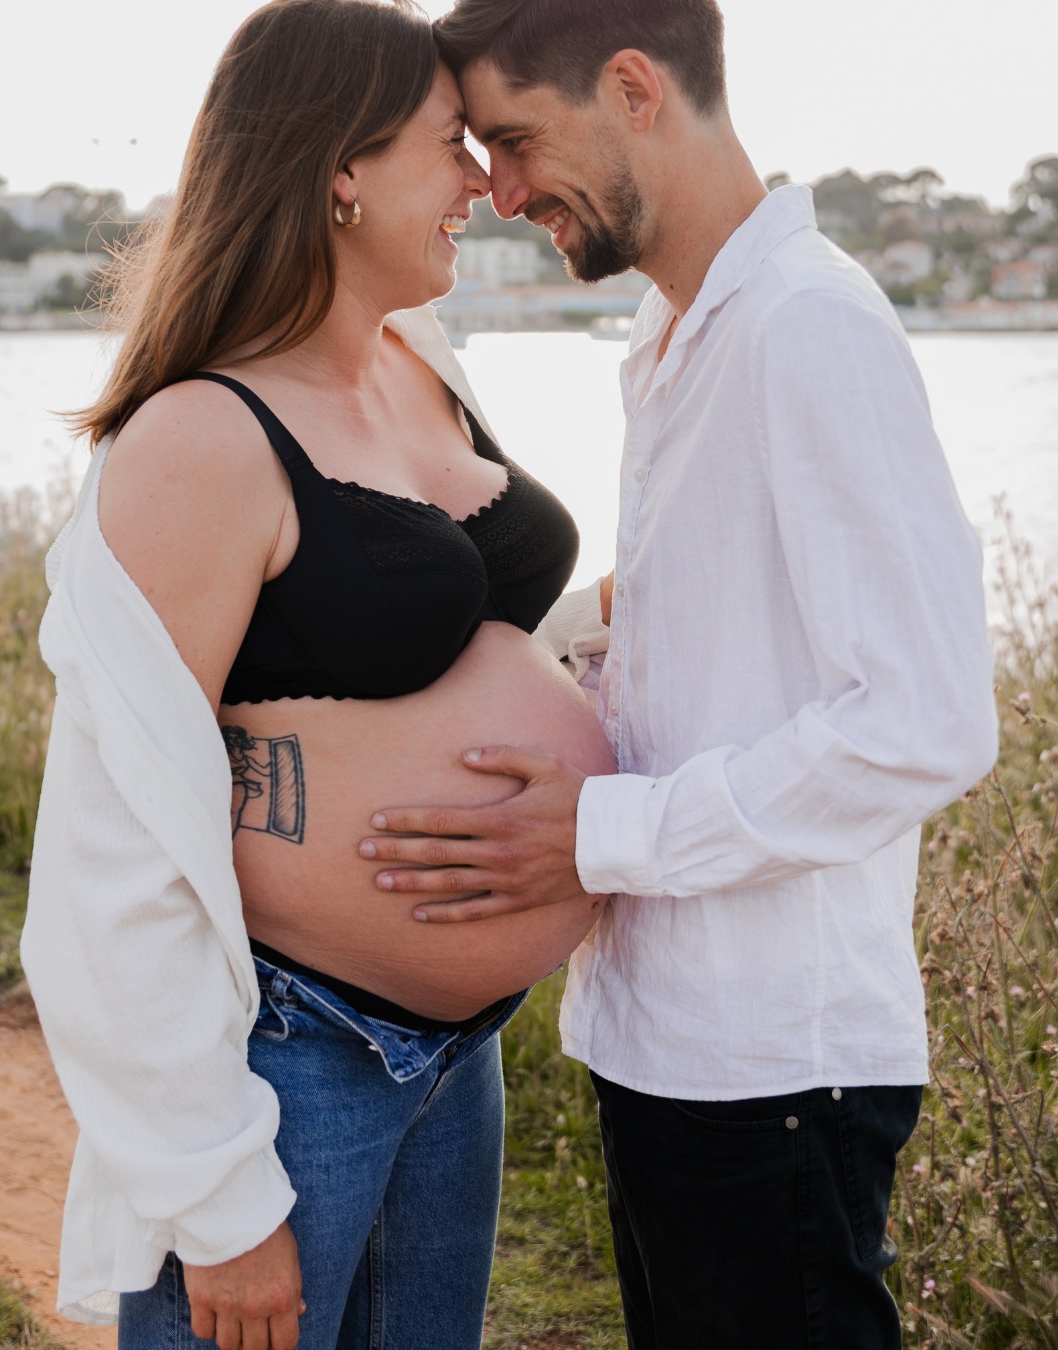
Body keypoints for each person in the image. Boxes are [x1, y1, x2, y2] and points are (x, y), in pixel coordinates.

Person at [357, 1, 1000, 1345]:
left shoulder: (806, 325)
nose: (504, 188)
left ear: (636, 88)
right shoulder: (670, 338)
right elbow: (720, 617)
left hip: (777, 1071)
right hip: (663, 1045)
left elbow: (924, 721)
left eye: (520, 139)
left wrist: (599, 832)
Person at [20, 2, 615, 1348]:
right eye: (450, 146)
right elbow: (109, 846)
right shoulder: (201, 439)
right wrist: (216, 1194)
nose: (483, 183)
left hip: (455, 1064)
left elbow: (403, 645)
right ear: (341, 169)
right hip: (290, 1065)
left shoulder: (419, 363)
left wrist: (587, 634)